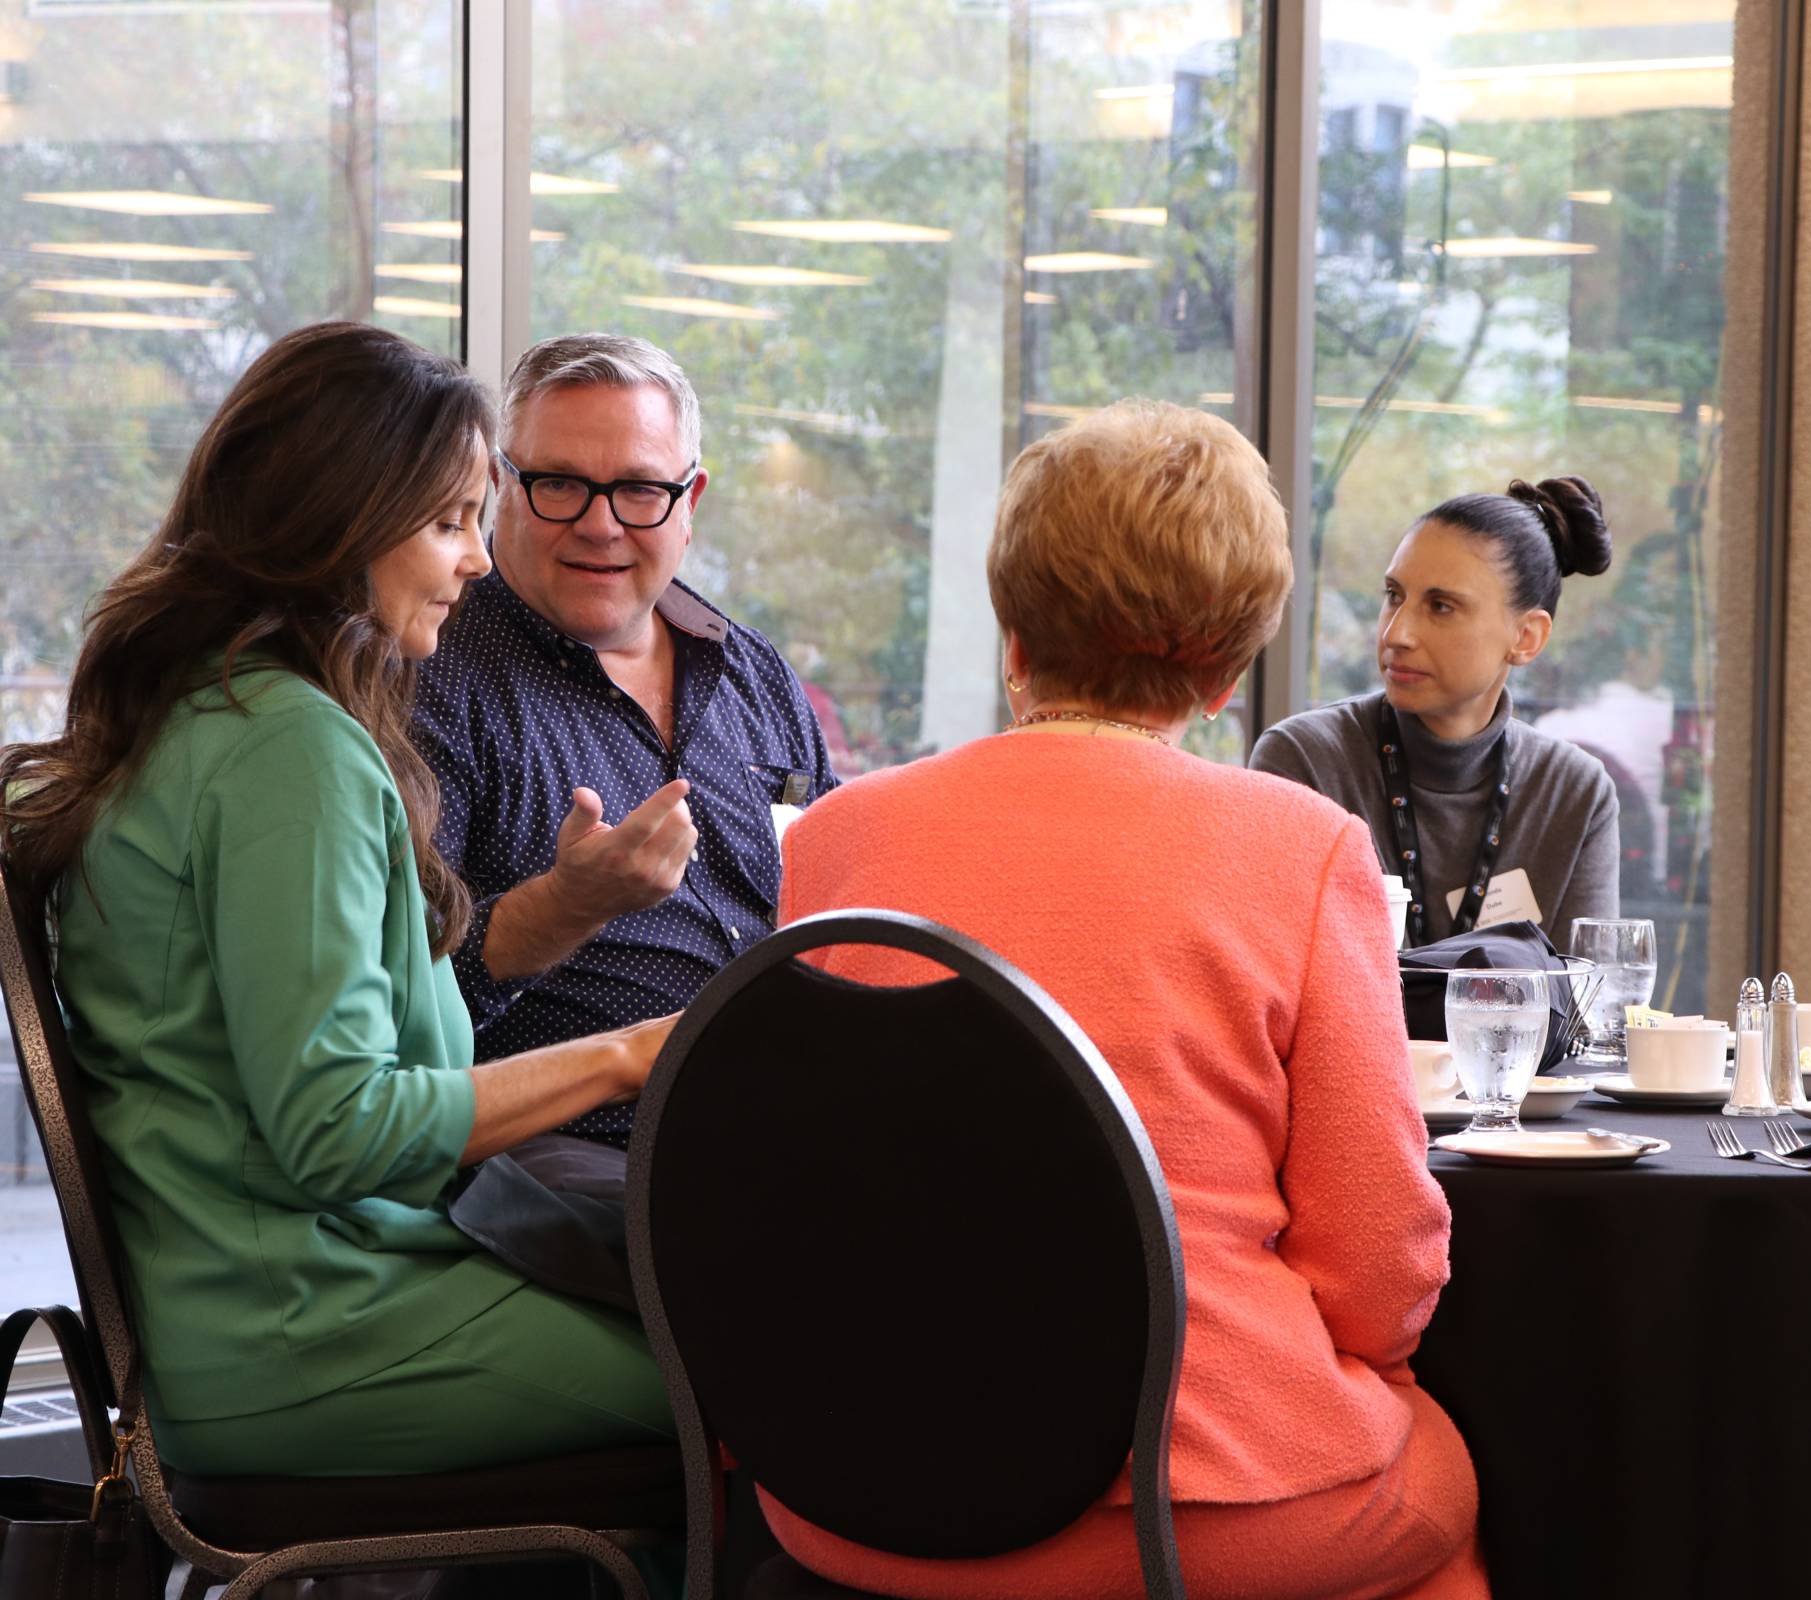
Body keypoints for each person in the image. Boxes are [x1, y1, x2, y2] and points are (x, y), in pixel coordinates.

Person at [765, 401, 1486, 1599]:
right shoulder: (1302, 851)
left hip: (850, 1489)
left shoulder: (838, 840)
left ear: (1012, 630)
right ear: (1225, 666)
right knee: (1443, 1475)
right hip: (1181, 1502)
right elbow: (1375, 1268)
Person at [0, 323, 675, 1475]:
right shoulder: (286, 752)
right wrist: (631, 1056)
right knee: (787, 1382)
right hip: (309, 1334)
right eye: (451, 520)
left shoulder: (207, 715)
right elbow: (338, 1128)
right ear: (338, 523)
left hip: (283, 1310)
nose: (476, 559)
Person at [412, 332, 838, 1148]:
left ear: (691, 501)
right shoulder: (433, 675)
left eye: (641, 490)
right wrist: (562, 908)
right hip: (581, 1163)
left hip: (804, 1131)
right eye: (561, 485)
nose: (601, 525)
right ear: (502, 486)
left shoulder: (754, 672)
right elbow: (401, 1019)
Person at [1249, 478, 1619, 947]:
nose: (1396, 633)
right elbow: (1278, 984)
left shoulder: (1573, 793)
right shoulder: (1306, 760)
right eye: (1393, 595)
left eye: (1441, 606)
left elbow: (1586, 1005)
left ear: (1526, 638)